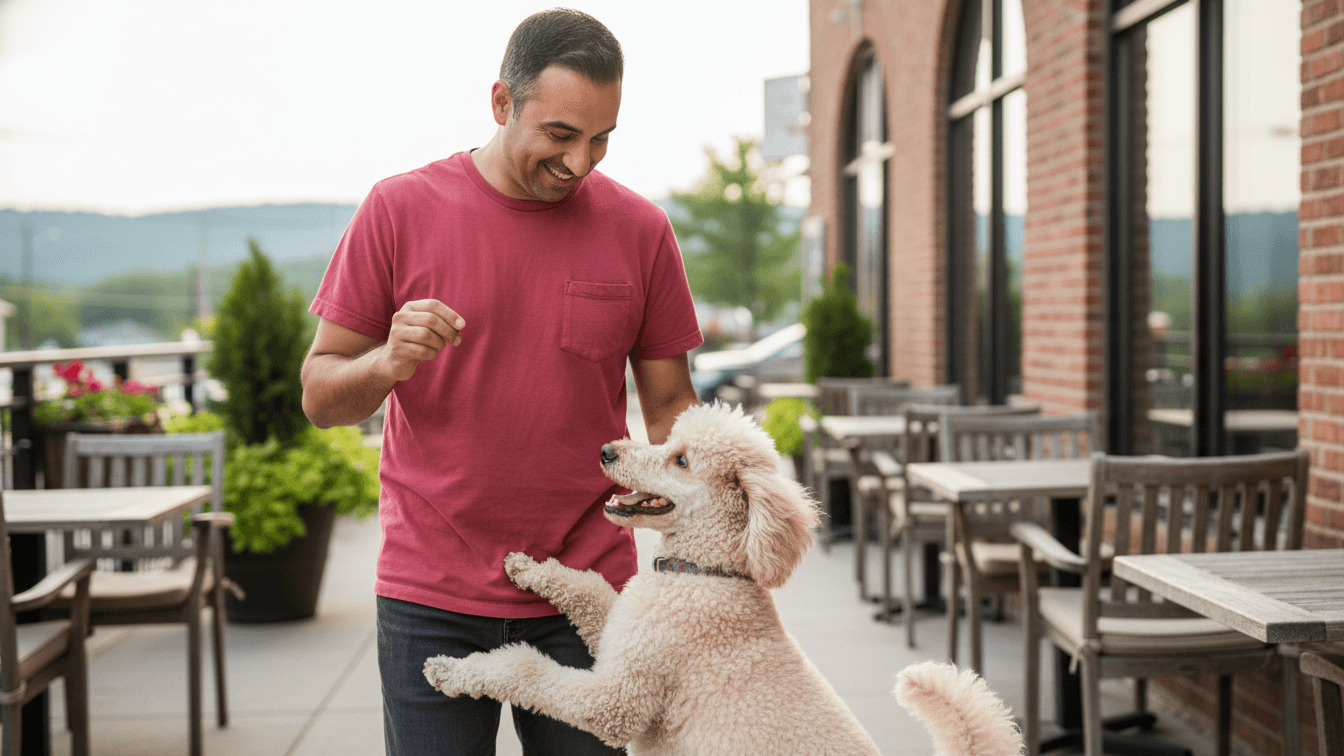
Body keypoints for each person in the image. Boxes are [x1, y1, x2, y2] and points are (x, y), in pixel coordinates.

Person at [299, 8, 702, 756]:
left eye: (602, 138)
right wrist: (387, 361)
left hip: (589, 597)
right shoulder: (398, 210)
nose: (581, 161)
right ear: (501, 103)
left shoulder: (642, 230)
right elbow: (320, 396)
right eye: (560, 134)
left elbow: (673, 408)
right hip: (431, 596)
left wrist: (710, 547)